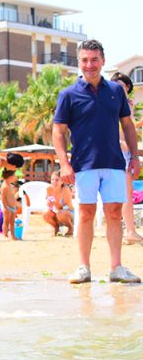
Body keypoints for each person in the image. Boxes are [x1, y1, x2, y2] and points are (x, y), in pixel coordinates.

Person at [53, 40, 140, 283]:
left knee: (114, 213)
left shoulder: (116, 91)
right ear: (79, 62)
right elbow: (58, 131)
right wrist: (64, 163)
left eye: (94, 59)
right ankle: (84, 268)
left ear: (103, 61)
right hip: (83, 165)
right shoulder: (68, 95)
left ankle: (116, 267)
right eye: (85, 60)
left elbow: (127, 125)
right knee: (85, 213)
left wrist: (134, 157)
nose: (89, 65)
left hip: (114, 163)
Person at [111, 71, 142, 245]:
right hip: (118, 150)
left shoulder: (126, 104)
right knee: (123, 192)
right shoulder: (112, 102)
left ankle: (129, 230)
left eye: (123, 86)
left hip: (125, 151)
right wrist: (121, 141)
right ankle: (129, 231)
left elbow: (128, 127)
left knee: (126, 192)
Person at [44, 170, 74, 236]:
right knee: (46, 215)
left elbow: (68, 206)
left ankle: (71, 228)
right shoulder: (49, 189)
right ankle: (56, 228)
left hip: (69, 213)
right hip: (58, 212)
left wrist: (55, 204)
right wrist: (49, 205)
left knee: (61, 213)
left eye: (57, 180)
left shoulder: (65, 189)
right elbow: (51, 205)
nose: (54, 182)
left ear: (62, 181)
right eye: (52, 179)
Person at [0, 170, 19, 240]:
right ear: (9, 177)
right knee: (6, 221)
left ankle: (12, 235)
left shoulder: (10, 185)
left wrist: (15, 204)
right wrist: (5, 207)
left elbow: (11, 196)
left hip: (12, 206)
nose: (15, 177)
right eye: (14, 176)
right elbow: (3, 197)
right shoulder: (4, 186)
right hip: (7, 207)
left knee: (12, 222)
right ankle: (5, 234)